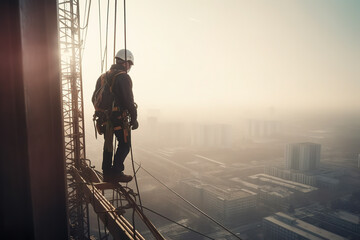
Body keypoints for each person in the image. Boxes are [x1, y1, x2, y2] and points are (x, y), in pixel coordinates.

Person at [92, 49, 139, 182]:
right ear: (126, 62)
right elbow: (128, 100)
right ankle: (117, 172)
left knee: (108, 144)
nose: (129, 67)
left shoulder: (102, 77)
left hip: (104, 118)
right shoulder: (122, 77)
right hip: (118, 118)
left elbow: (94, 98)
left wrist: (102, 113)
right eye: (129, 64)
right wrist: (134, 119)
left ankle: (107, 172)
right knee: (124, 145)